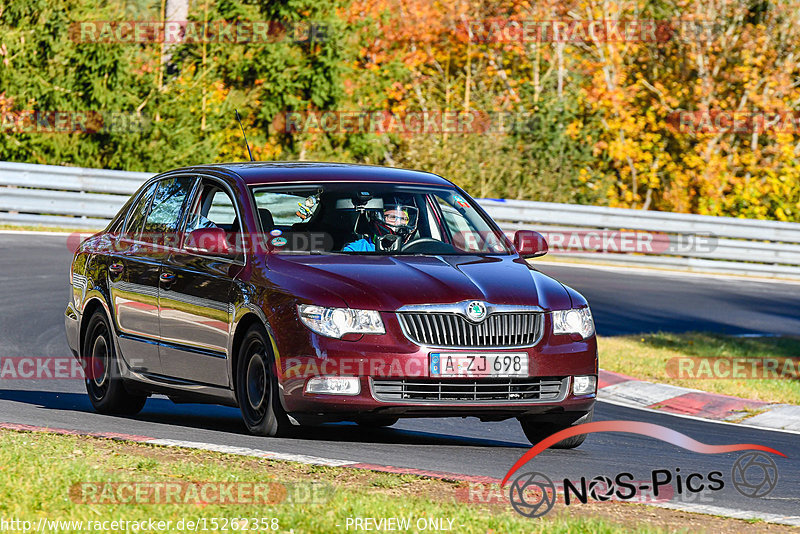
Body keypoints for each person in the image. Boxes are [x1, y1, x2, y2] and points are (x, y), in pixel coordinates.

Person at [343, 201, 418, 252]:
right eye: (392, 217)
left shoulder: (415, 250)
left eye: (403, 219)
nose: (398, 223)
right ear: (379, 218)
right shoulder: (355, 249)